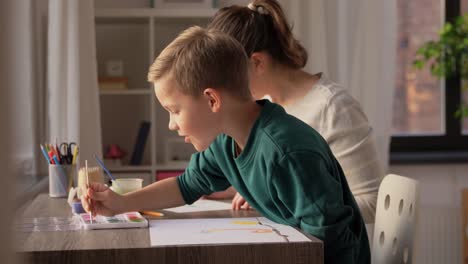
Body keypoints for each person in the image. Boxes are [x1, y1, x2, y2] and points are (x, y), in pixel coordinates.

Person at [82, 26, 370, 264]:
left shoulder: (287, 153)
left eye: (174, 110)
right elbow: (185, 186)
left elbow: (331, 242)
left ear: (212, 100)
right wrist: (121, 203)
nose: (171, 124)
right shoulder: (226, 142)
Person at [206, 0, 383, 224]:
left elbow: (373, 202)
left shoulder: (333, 107)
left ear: (257, 62)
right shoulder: (264, 106)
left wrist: (283, 203)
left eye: (229, 76)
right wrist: (233, 190)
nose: (224, 87)